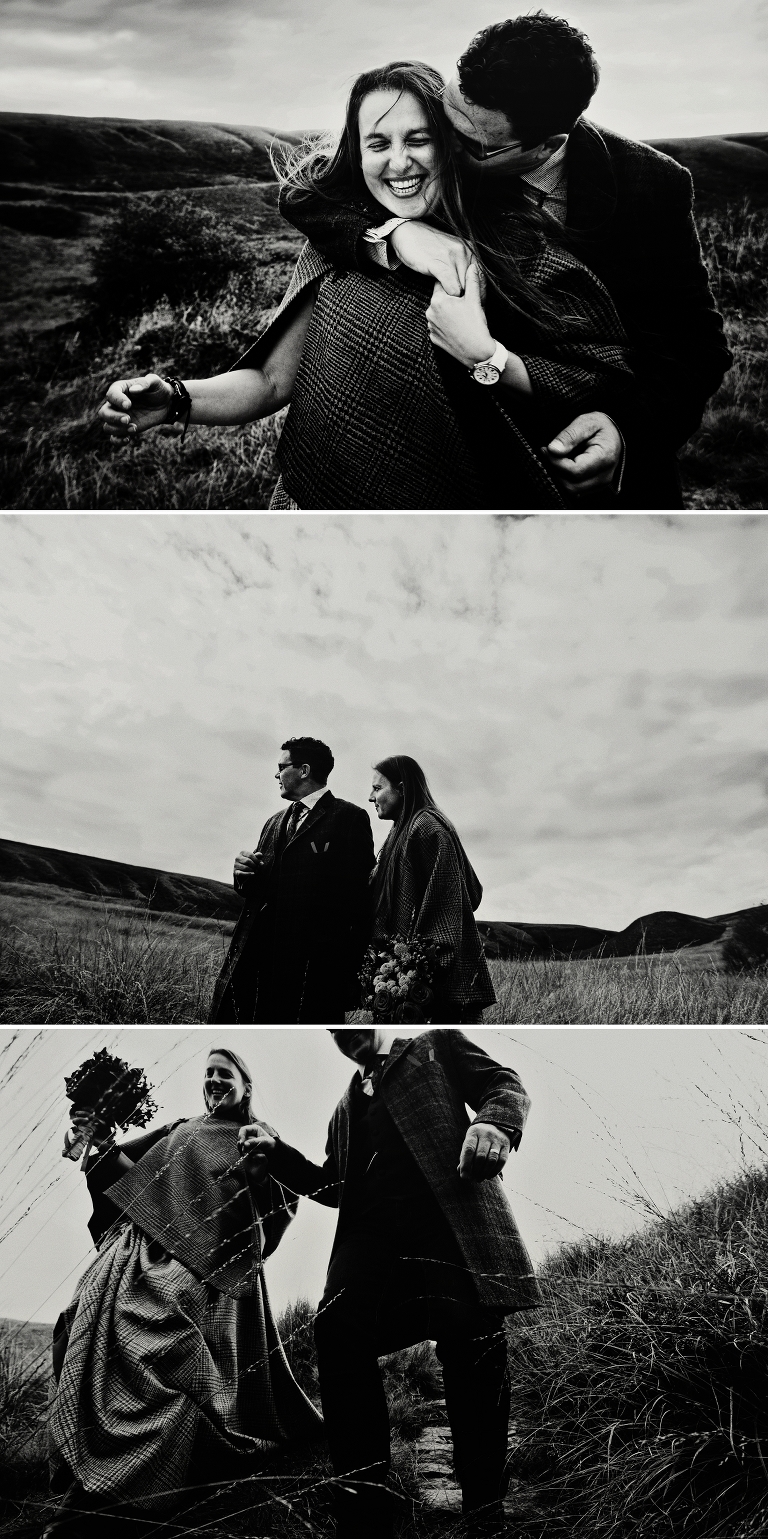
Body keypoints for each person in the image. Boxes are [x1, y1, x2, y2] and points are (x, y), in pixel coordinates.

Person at [98, 59, 635, 509]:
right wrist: (173, 399)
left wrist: (486, 356)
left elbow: (598, 379)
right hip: (315, 511)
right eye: (377, 143)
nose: (399, 163)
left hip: (470, 527)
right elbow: (269, 383)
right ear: (358, 154)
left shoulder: (520, 252)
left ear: (451, 144)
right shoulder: (340, 245)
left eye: (418, 139)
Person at [280, 15, 732, 509]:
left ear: (548, 147)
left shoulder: (651, 185)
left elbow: (694, 348)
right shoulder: (460, 135)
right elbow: (311, 191)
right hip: (464, 464)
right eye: (444, 119)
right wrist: (399, 232)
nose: (443, 147)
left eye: (470, 143)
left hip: (578, 472)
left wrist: (628, 433)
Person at [239, 1027, 540, 1539]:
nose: (343, 1032)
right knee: (336, 1330)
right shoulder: (344, 1106)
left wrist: (495, 1123)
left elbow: (505, 1084)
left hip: (450, 1226)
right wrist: (279, 1153)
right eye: (333, 1030)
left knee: (473, 1346)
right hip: (372, 1245)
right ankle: (364, 1504)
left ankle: (483, 1507)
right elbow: (333, 1186)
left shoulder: (436, 1046)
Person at [46, 1048, 321, 1538]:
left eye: (225, 1074)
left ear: (246, 1085)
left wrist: (260, 1180)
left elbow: (277, 1210)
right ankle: (87, 1470)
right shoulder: (178, 1127)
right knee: (79, 1318)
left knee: (164, 1335)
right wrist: (99, 1135)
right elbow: (125, 1168)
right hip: (137, 1251)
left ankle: (147, 1484)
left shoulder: (257, 1137)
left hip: (206, 1268)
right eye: (208, 1074)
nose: (214, 1081)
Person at [208, 736, 375, 1023]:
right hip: (259, 961)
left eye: (281, 766)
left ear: (304, 770)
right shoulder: (273, 822)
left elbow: (361, 901)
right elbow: (257, 890)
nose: (276, 775)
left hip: (312, 970)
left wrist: (344, 970)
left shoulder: (349, 818)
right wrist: (242, 874)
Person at [369, 755, 495, 1023]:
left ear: (402, 788)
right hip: (411, 980)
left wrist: (416, 972)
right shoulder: (401, 831)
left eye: (378, 788)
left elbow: (452, 904)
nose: (371, 797)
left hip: (437, 987)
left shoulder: (426, 828)